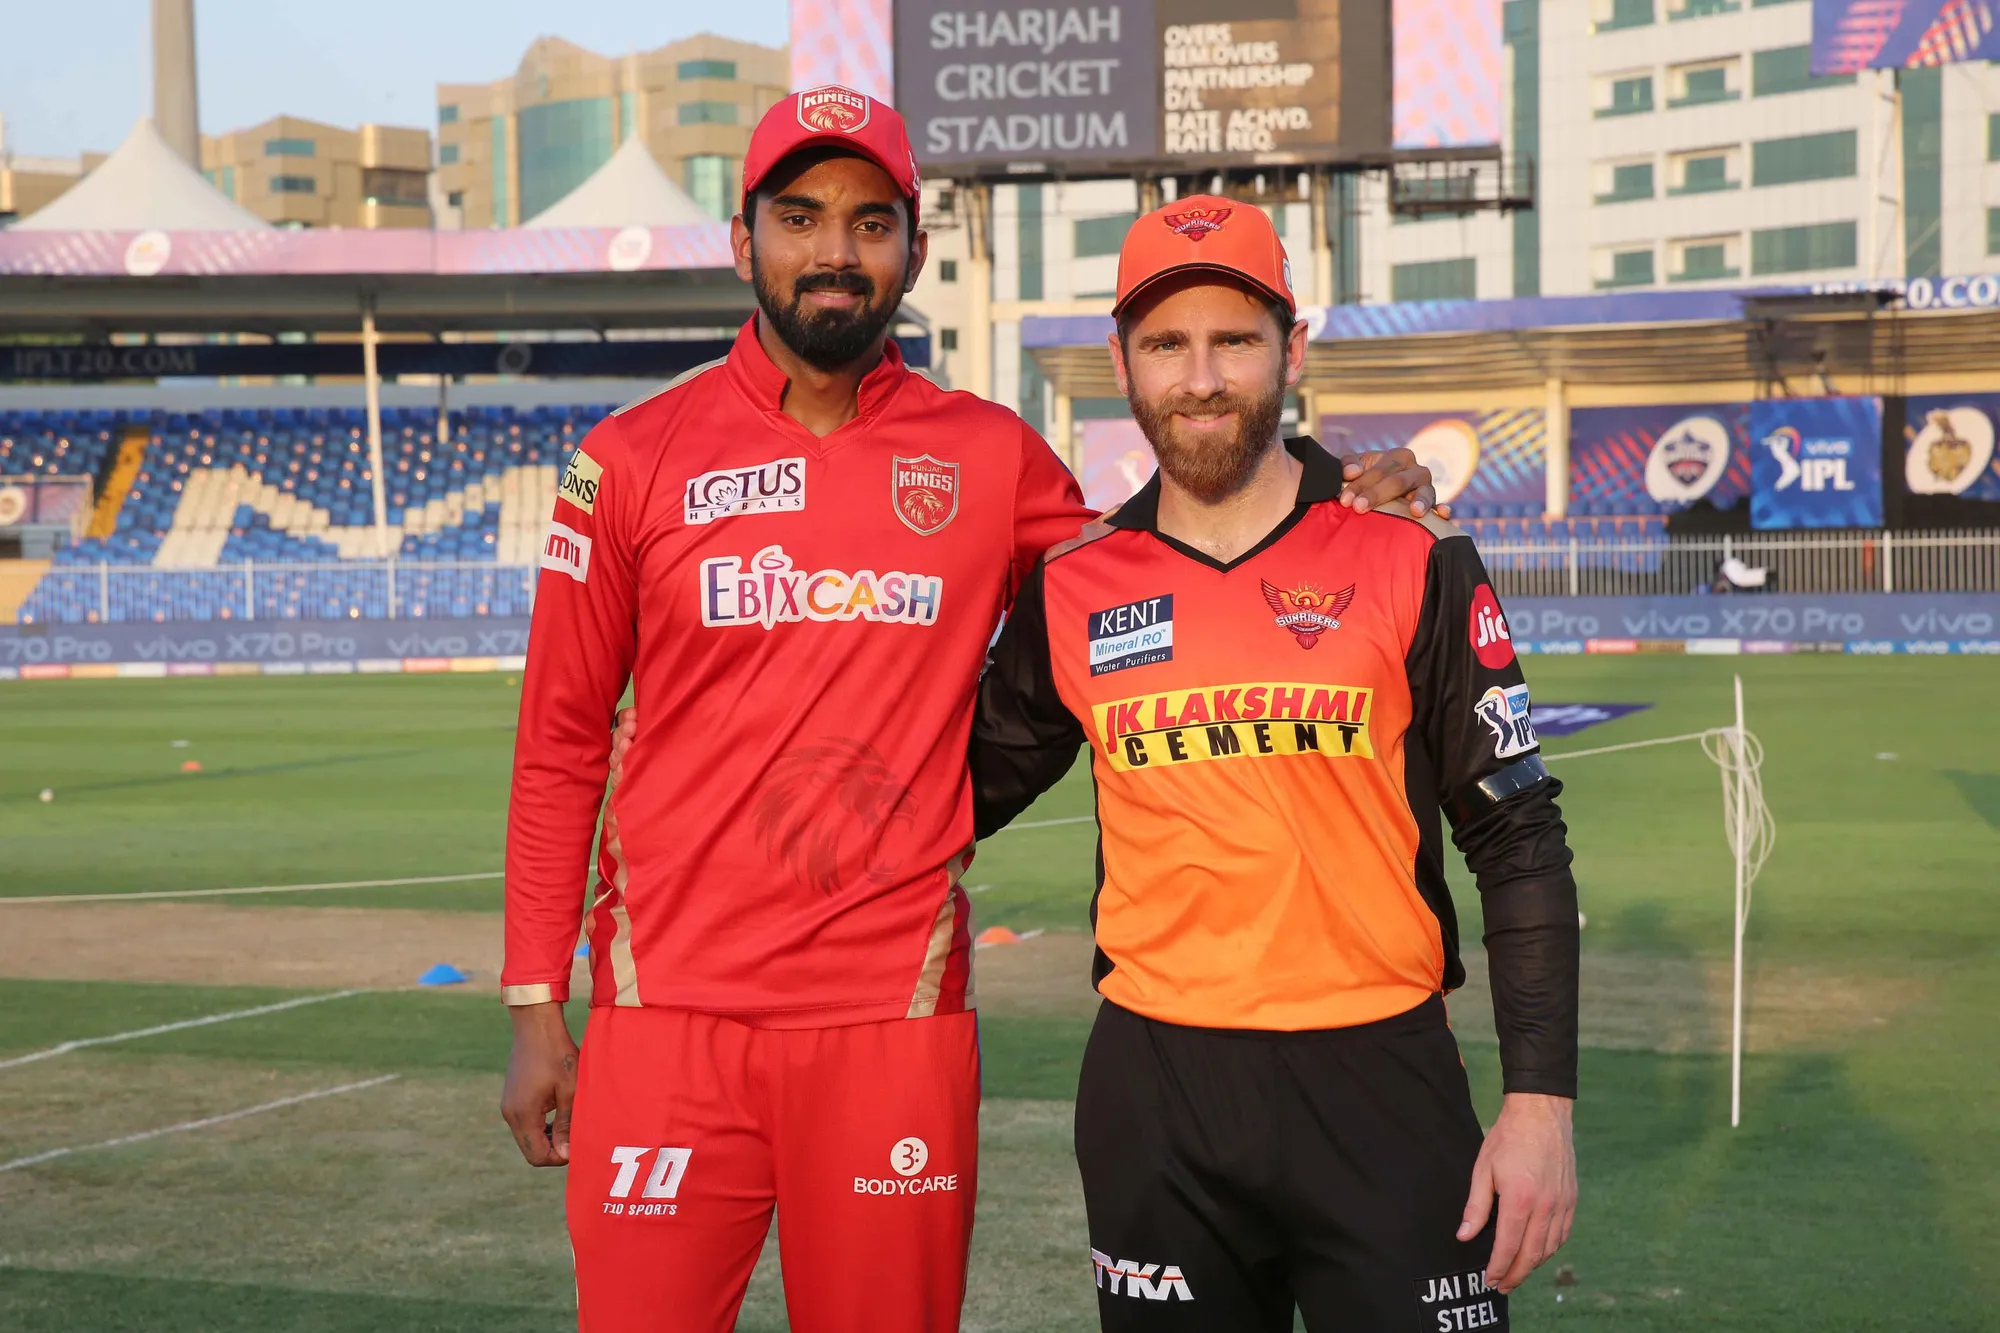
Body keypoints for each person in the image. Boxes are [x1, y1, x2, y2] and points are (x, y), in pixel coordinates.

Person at [502, 87, 1444, 1333]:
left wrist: (1332, 487)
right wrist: (533, 1005)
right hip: (661, 1020)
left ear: (913, 251)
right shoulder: (625, 458)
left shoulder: (989, 455)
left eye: (870, 221)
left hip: (892, 1020)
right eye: (799, 217)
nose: (834, 249)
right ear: (744, 242)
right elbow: (560, 740)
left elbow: (1165, 550)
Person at [966, 198, 1580, 1331]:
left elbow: (1515, 832)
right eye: (1165, 343)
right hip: (1156, 1099)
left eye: (1232, 340)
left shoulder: (1410, 551)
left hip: (1380, 1085)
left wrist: (1540, 1104)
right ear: (1121, 362)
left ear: (1289, 350)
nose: (1199, 377)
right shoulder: (1074, 584)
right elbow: (945, 798)